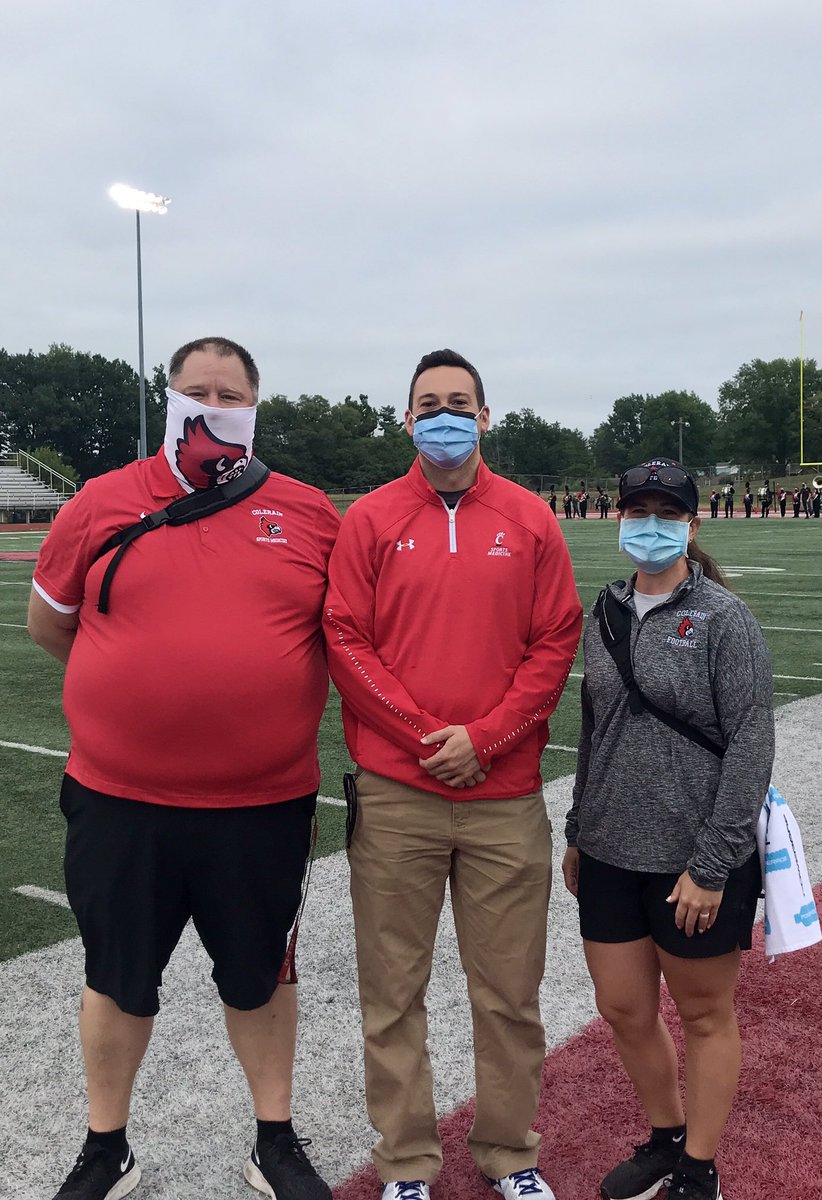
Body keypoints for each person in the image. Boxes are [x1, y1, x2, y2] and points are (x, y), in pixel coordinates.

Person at [28, 337, 339, 1200]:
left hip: (263, 802)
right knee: (116, 975)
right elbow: (51, 624)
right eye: (194, 389)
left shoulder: (309, 511)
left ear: (254, 404)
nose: (212, 402)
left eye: (229, 392)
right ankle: (105, 1148)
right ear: (167, 398)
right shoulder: (102, 501)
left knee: (261, 974)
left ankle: (274, 1140)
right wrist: (133, 687)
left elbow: (341, 635)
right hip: (120, 797)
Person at [323, 348, 583, 1200]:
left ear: (484, 417)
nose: (444, 415)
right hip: (399, 795)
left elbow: (555, 642)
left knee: (509, 993)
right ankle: (405, 1164)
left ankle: (510, 1153)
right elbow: (345, 638)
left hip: (505, 799)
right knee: (392, 992)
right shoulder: (368, 519)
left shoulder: (531, 518)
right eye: (427, 403)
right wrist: (430, 733)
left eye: (459, 402)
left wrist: (491, 736)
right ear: (406, 419)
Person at [562, 457, 774, 1200]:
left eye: (667, 511)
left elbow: (751, 743)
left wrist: (713, 866)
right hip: (612, 850)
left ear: (691, 522)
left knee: (706, 1014)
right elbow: (595, 728)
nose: (650, 523)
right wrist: (577, 827)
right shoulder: (606, 609)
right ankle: (665, 1136)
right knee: (623, 1008)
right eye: (637, 509)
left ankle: (700, 1169)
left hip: (695, 858)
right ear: (618, 516)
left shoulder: (723, 617)